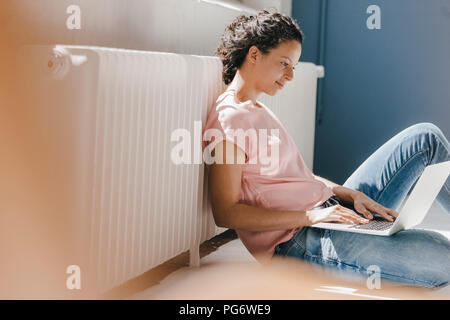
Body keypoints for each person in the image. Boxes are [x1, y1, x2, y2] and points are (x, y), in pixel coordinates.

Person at [202, 9, 450, 289]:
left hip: (330, 212)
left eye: (293, 67)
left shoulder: (256, 109)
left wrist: (346, 192)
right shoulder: (229, 119)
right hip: (299, 243)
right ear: (254, 54)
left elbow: (298, 177)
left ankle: (372, 229)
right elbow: (226, 212)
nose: (290, 76)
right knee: (444, 257)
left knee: (425, 137)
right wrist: (310, 217)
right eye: (284, 63)